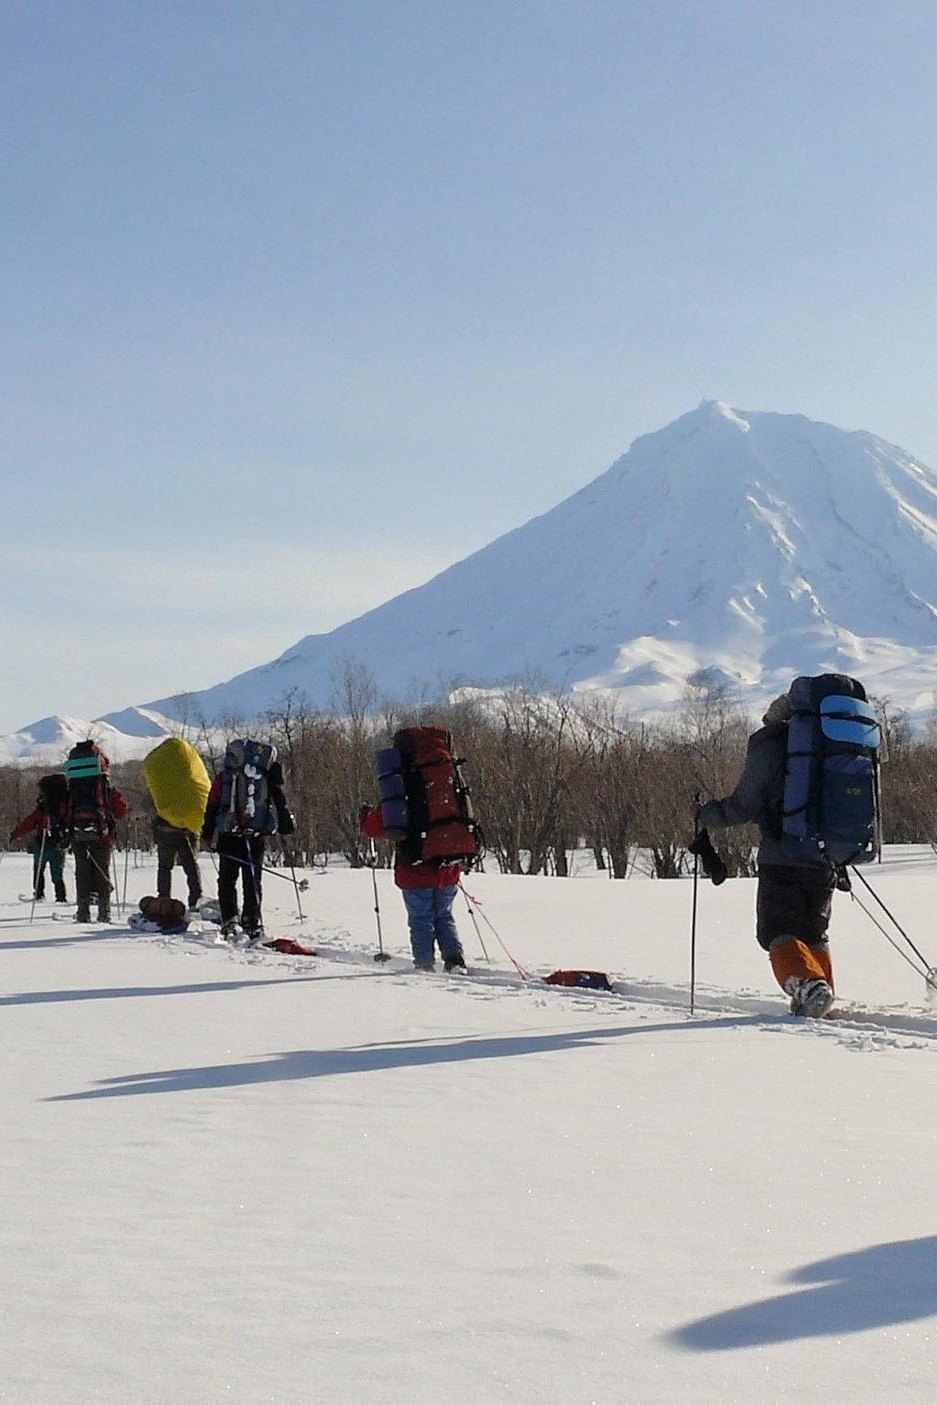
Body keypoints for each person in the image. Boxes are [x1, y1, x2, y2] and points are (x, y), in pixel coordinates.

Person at [696, 690, 838, 1018]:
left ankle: (811, 988)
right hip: (826, 859)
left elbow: (743, 805)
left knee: (776, 931)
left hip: (783, 856)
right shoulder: (831, 743)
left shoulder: (773, 744)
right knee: (812, 931)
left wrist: (704, 815)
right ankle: (820, 990)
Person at [201, 747, 294, 942]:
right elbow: (279, 802)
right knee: (252, 880)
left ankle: (229, 920)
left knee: (227, 880)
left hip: (229, 835)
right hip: (255, 836)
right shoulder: (265, 776)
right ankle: (252, 921)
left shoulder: (225, 777)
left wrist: (207, 834)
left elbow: (212, 804)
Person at [359, 804, 466, 973]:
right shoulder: (447, 786)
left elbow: (374, 828)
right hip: (447, 869)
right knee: (444, 915)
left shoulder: (402, 789)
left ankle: (424, 965)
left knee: (421, 919)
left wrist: (366, 817)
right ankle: (455, 961)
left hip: (416, 872)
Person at [66, 750, 129, 923]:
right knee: (103, 872)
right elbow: (121, 812)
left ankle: (83, 912)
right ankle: (104, 913)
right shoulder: (106, 788)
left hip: (77, 835)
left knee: (82, 872)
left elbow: (64, 810)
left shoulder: (73, 788)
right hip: (102, 836)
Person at [9, 784, 69, 903]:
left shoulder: (42, 810)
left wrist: (15, 834)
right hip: (58, 845)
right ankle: (61, 897)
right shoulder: (64, 807)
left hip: (43, 844)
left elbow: (28, 823)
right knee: (57, 873)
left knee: (38, 870)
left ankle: (39, 894)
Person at [152, 809, 203, 913]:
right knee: (191, 868)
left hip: (165, 829)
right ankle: (196, 900)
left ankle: (163, 900)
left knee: (165, 868)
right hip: (186, 830)